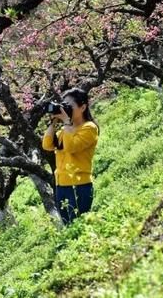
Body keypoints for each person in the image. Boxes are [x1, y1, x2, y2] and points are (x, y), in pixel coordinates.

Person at [42, 87, 99, 225]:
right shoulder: (65, 130)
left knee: (79, 226)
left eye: (69, 106)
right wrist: (54, 122)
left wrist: (67, 123)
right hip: (62, 185)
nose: (65, 109)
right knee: (68, 226)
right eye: (63, 105)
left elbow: (71, 147)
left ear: (83, 107)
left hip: (79, 184)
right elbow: (47, 145)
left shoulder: (89, 128)